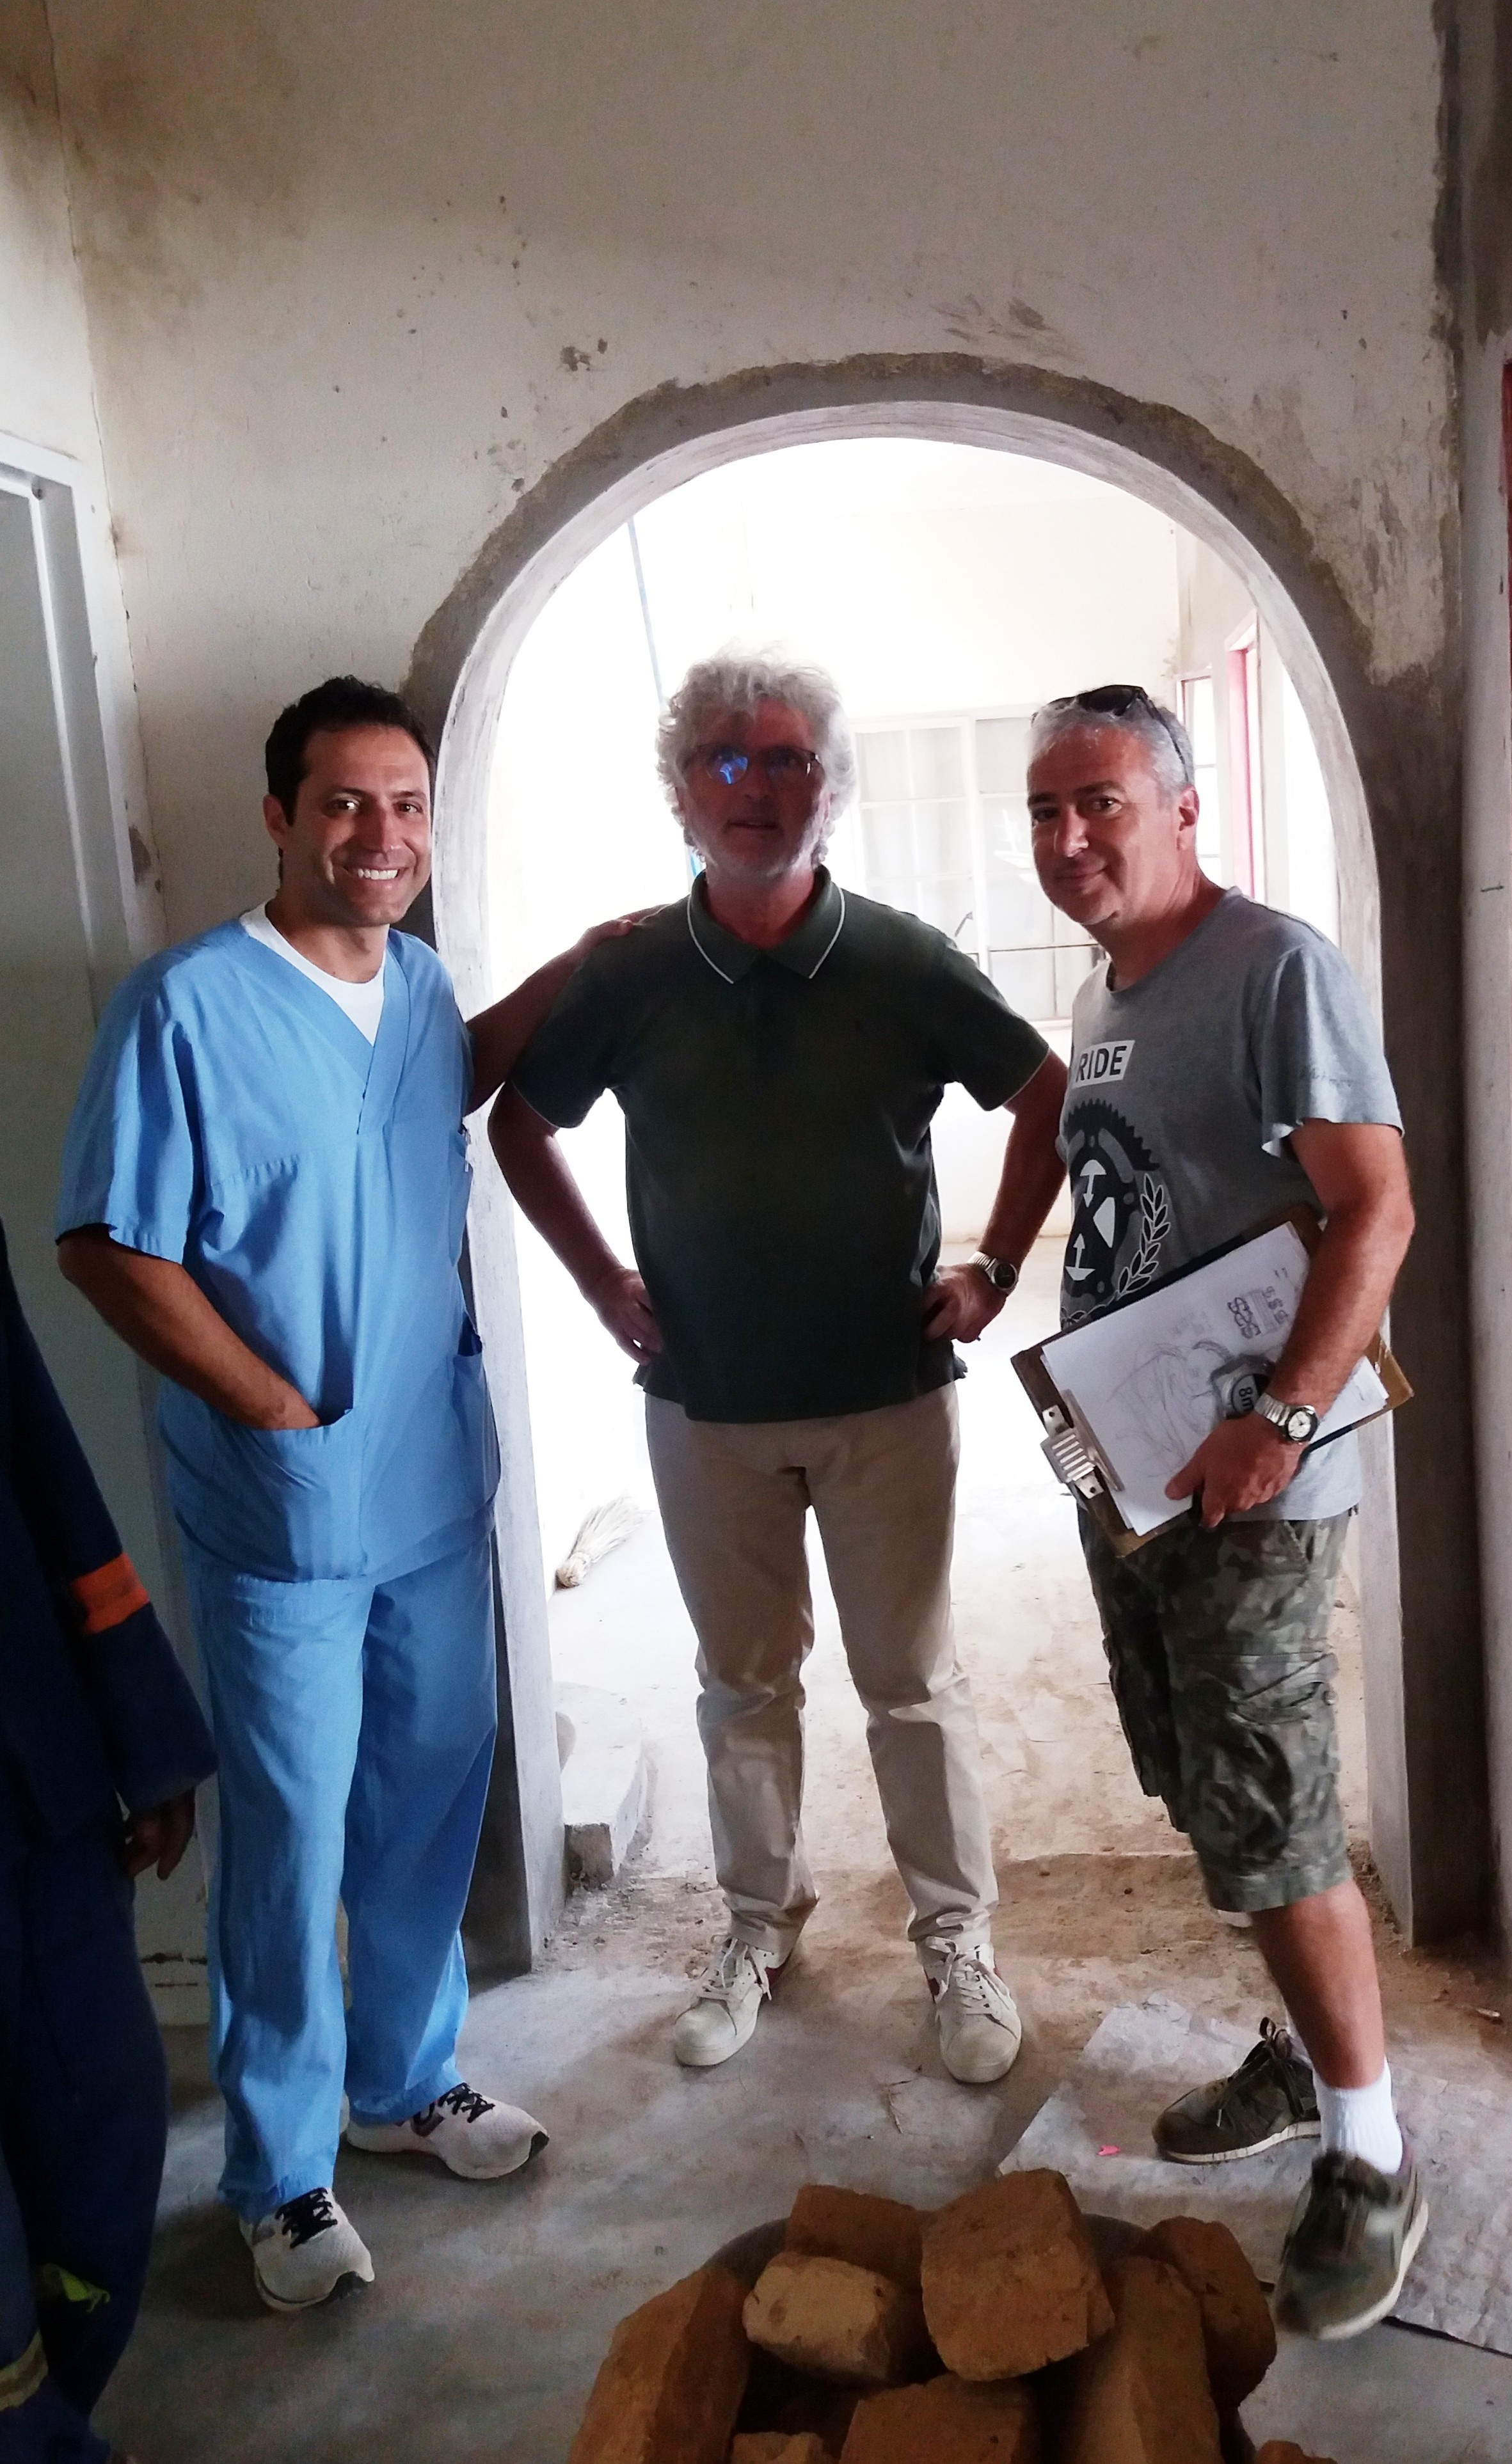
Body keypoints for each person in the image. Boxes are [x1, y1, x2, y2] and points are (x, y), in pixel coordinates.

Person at [55, 677, 623, 2315]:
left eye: (408, 804)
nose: (383, 834)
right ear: (281, 817)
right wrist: (272, 1407)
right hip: (285, 1506)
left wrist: (581, 966)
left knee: (433, 1788)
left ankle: (402, 2084)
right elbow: (106, 1244)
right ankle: (282, 2172)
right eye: (347, 802)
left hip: (430, 1481)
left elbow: (437, 1081)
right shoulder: (185, 1007)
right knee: (293, 1834)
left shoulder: (422, 985)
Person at [490, 651, 1068, 2085]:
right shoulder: (630, 971)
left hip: (888, 1394)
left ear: (832, 787)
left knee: (911, 1680)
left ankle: (956, 1941)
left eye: (791, 759)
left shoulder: (902, 961)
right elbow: (518, 1122)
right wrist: (601, 1281)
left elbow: (1046, 1094)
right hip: (706, 1404)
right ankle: (759, 1927)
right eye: (727, 760)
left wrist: (995, 1266)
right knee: (743, 1684)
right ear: (682, 792)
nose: (757, 786)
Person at [1027, 683, 1422, 2342]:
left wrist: (1279, 1419)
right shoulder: (1107, 989)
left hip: (1252, 1478)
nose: (1068, 837)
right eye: (1045, 810)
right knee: (1204, 1787)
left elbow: (1374, 1208)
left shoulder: (1273, 969)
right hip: (1142, 1475)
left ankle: (1370, 2154)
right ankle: (1299, 2055)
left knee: (1269, 1807)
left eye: (1100, 803)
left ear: (1183, 810)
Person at [0, 1219, 215, 2463]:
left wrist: (140, 1720)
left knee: (104, 2125)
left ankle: (52, 2417)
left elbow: (36, 1452)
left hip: (32, 1770)